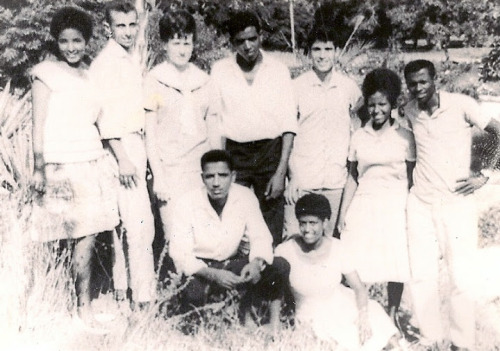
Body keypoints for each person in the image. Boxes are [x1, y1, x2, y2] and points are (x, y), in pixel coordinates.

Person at [403, 59, 500, 350]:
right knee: (421, 275)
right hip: (420, 202)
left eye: (423, 82)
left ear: (435, 79)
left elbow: (498, 133)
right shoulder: (408, 110)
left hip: (456, 203)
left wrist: (485, 175)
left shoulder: (461, 105)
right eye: (412, 83)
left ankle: (462, 343)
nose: (418, 88)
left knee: (461, 276)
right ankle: (430, 338)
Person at [31, 7, 119, 327]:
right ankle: (50, 303)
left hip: (90, 161)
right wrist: (39, 168)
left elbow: (100, 120)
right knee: (54, 237)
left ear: (86, 41)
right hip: (58, 165)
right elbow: (37, 125)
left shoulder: (91, 74)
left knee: (87, 236)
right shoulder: (44, 73)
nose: (71, 47)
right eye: (65, 41)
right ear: (57, 41)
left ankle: (83, 306)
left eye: (77, 40)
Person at [168, 150, 289, 330]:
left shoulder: (245, 196)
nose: (216, 183)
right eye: (210, 176)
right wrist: (214, 275)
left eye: (223, 175)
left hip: (232, 266)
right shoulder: (187, 202)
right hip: (202, 271)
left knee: (280, 266)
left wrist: (256, 263)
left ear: (233, 176)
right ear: (202, 178)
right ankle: (227, 314)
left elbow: (260, 236)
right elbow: (179, 253)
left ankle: (272, 323)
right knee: (193, 301)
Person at [208, 10, 297, 245]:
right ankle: (238, 278)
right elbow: (215, 120)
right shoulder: (220, 70)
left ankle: (269, 279)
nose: (247, 46)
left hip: (270, 154)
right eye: (240, 41)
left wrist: (280, 173)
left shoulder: (278, 70)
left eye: (252, 39)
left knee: (270, 225)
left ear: (260, 37)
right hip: (235, 154)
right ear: (232, 43)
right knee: (235, 220)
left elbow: (289, 125)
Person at [337, 68, 415, 328]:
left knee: (396, 261)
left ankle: (392, 316)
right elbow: (352, 177)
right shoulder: (359, 136)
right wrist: (342, 215)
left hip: (396, 204)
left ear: (392, 104)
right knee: (358, 259)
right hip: (365, 204)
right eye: (371, 105)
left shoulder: (405, 137)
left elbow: (412, 177)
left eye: (382, 104)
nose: (376, 110)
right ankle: (364, 314)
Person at [89, 0, 155, 310]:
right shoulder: (106, 63)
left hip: (134, 145)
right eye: (120, 26)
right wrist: (124, 158)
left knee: (133, 225)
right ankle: (141, 299)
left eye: (132, 25)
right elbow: (104, 116)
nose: (127, 32)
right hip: (120, 149)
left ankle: (127, 293)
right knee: (137, 225)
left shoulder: (130, 57)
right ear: (109, 28)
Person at [275, 194, 402, 350]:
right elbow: (273, 292)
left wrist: (363, 316)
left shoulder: (338, 247)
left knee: (377, 324)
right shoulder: (285, 251)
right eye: (303, 223)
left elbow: (358, 288)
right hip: (311, 317)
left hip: (344, 306)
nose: (307, 229)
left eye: (313, 223)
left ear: (325, 222)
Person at [144, 10, 216, 241]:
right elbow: (151, 133)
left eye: (187, 42)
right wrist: (159, 176)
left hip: (200, 171)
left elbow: (213, 130)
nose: (182, 49)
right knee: (176, 238)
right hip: (170, 171)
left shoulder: (204, 80)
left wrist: (215, 171)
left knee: (203, 236)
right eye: (176, 43)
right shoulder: (154, 80)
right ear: (165, 44)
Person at [284, 26, 362, 239]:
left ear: (336, 51)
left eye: (328, 49)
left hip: (335, 183)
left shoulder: (349, 88)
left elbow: (362, 127)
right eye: (317, 49)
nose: (322, 55)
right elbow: (287, 134)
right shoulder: (296, 87)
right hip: (302, 182)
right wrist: (292, 178)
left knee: (329, 243)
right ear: (309, 52)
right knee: (295, 241)